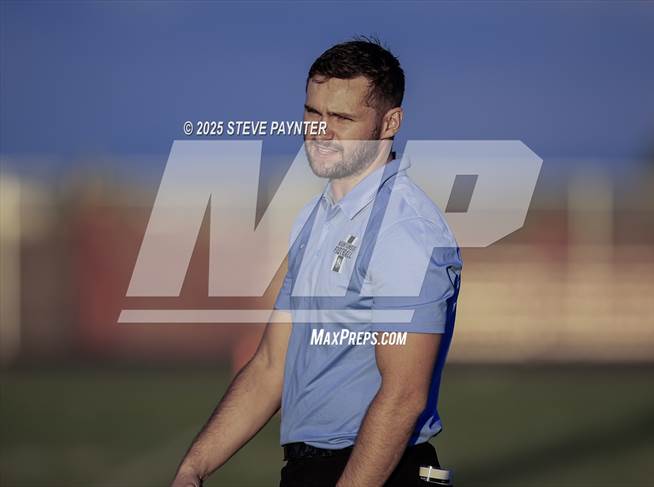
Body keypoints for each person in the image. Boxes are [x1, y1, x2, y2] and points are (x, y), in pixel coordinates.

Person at [172, 38, 462, 487]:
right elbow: (271, 365)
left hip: (386, 471)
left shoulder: (404, 229)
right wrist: (193, 469)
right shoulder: (316, 217)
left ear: (390, 123)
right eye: (313, 113)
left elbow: (403, 396)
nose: (320, 131)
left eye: (342, 118)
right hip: (310, 469)